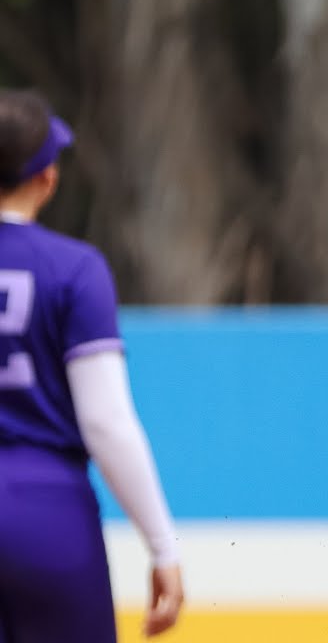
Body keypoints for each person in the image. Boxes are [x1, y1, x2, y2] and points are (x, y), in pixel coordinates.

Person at [0, 90, 184, 641]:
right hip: (48, 514)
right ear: (47, 179)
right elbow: (106, 424)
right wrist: (162, 546)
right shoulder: (75, 269)